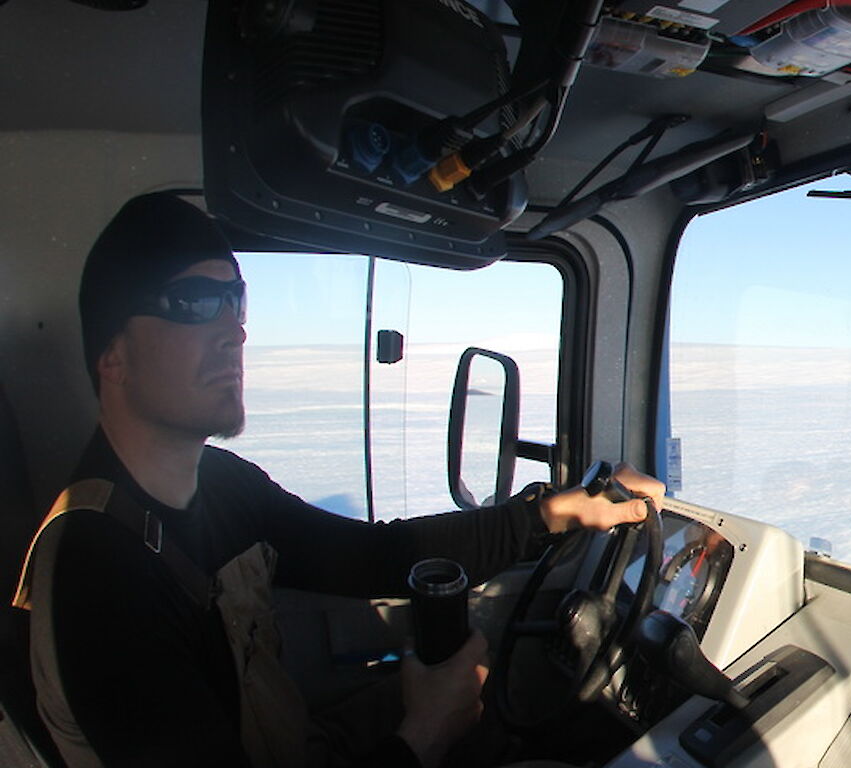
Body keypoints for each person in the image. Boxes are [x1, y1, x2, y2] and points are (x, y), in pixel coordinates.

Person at [12, 193, 664, 767]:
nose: (233, 330)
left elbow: (371, 557)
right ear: (111, 353)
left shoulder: (217, 482)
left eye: (235, 300)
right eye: (193, 303)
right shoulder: (98, 578)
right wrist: (424, 734)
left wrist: (553, 515)